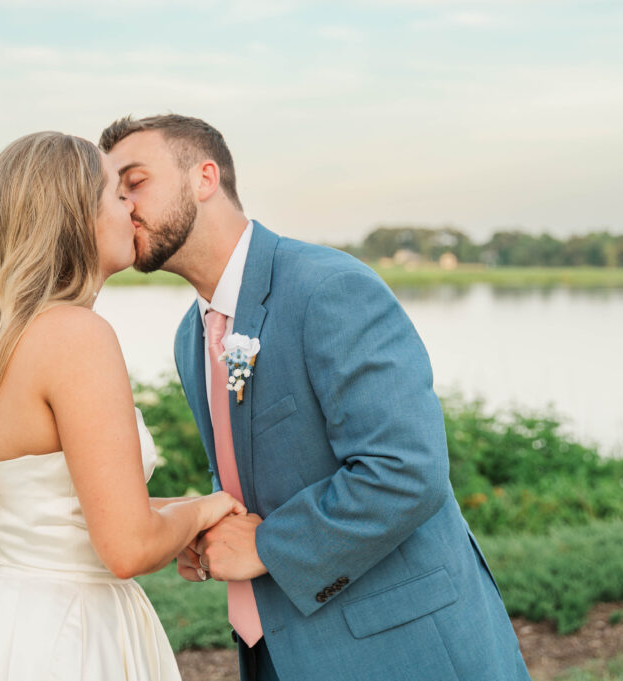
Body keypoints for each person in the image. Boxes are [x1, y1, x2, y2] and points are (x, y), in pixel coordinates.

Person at [101, 115, 531, 681]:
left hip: (400, 648)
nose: (122, 204)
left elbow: (405, 469)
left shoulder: (329, 289)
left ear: (204, 177)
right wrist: (208, 526)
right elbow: (256, 468)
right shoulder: (191, 336)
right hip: (280, 649)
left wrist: (266, 547)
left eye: (135, 181)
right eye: (113, 191)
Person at [0, 131, 245, 680]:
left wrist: (180, 516)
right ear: (77, 217)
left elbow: (66, 512)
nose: (131, 207)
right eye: (117, 194)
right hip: (65, 633)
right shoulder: (75, 336)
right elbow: (128, 546)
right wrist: (209, 508)